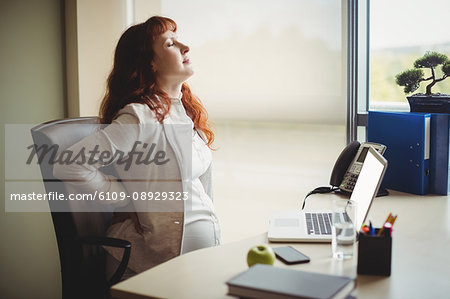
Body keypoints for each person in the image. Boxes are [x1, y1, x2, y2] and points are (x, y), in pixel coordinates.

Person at [53, 16, 221, 276]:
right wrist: (124, 197)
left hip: (199, 264)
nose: (185, 47)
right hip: (152, 266)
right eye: (170, 44)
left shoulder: (185, 113)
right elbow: (68, 165)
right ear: (149, 63)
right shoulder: (138, 117)